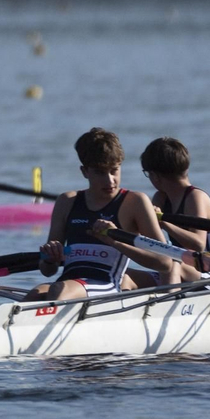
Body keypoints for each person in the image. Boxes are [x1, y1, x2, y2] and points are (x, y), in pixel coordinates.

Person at [26, 128, 182, 302]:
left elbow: (165, 263)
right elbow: (48, 271)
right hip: (67, 283)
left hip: (106, 284)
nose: (110, 180)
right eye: (100, 172)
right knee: (33, 295)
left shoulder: (135, 202)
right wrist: (49, 259)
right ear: (84, 171)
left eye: (114, 170)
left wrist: (116, 242)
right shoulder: (66, 201)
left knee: (59, 291)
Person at [134, 136, 210, 288]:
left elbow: (198, 245)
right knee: (127, 276)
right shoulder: (161, 198)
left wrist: (164, 223)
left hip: (207, 274)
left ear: (155, 176)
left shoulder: (195, 197)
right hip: (178, 269)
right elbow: (151, 242)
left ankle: (165, 306)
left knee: (170, 262)